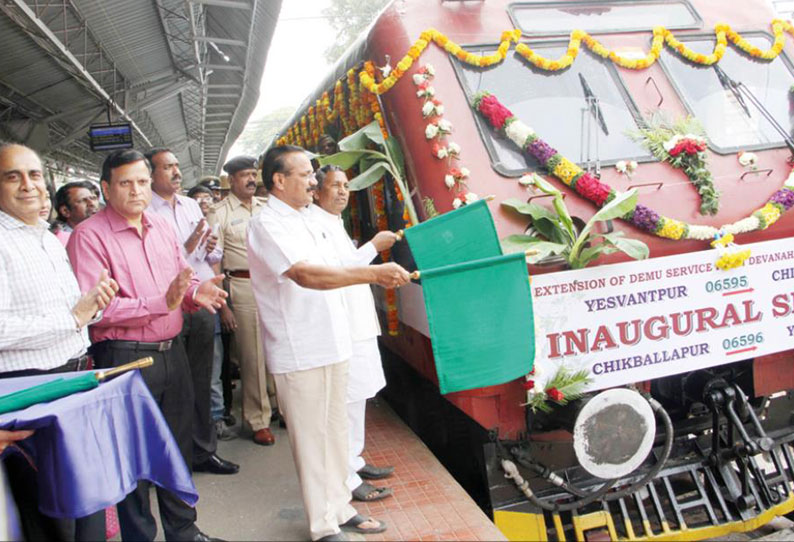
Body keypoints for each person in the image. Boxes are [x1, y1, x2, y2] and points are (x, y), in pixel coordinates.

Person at [248, 144, 411, 541]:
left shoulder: (309, 219)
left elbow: (339, 267)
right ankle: (323, 526)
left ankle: (341, 506)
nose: (313, 181)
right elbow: (308, 275)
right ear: (279, 180)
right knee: (313, 442)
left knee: (336, 437)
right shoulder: (267, 224)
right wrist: (374, 275)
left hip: (334, 342)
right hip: (301, 349)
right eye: (305, 174)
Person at [67, 148, 227, 542]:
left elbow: (180, 283)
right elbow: (97, 311)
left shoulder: (161, 227)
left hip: (172, 351)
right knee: (134, 455)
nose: (137, 190)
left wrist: (195, 293)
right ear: (106, 189)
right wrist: (163, 303)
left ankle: (184, 531)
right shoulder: (89, 237)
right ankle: (140, 535)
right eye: (125, 183)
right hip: (123, 358)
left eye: (141, 181)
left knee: (175, 445)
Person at [0, 142, 119, 541]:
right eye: (12, 176)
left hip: (72, 379)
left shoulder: (47, 238)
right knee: (53, 519)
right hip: (31, 388)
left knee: (85, 506)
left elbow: (73, 314)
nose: (28, 186)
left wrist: (93, 307)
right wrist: (72, 317)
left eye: (34, 175)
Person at [146, 148, 239, 474]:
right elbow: (157, 263)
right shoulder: (144, 210)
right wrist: (186, 248)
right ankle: (174, 461)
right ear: (151, 175)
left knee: (202, 380)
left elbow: (212, 252)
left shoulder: (188, 205)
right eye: (166, 167)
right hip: (166, 306)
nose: (175, 172)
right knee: (172, 386)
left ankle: (203, 451)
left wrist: (212, 249)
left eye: (176, 165)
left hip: (200, 301)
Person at [310, 165, 397, 503]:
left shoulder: (334, 223)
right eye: (335, 186)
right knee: (346, 402)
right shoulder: (317, 226)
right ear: (317, 192)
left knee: (358, 396)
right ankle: (346, 479)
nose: (343, 192)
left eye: (346, 185)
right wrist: (374, 246)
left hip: (357, 323)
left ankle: (355, 461)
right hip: (344, 327)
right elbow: (342, 272)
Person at [208, 155, 277, 446]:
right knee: (252, 356)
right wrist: (223, 305)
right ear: (232, 180)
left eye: (253, 174)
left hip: (273, 286)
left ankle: (280, 407)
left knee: (278, 346)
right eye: (245, 175)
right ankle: (258, 419)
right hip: (242, 285)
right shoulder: (219, 213)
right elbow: (213, 261)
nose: (251, 180)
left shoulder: (267, 208)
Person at [187, 184, 234, 441]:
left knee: (214, 363)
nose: (204, 202)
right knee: (194, 367)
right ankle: (198, 421)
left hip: (209, 300)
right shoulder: (166, 223)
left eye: (206, 198)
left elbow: (215, 258)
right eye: (198, 199)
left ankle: (215, 417)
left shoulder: (207, 225)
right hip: (184, 302)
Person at [52, 180, 100, 245]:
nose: (92, 203)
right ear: (65, 211)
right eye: (82, 200)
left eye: (93, 198)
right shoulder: (58, 242)